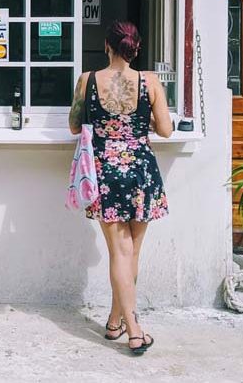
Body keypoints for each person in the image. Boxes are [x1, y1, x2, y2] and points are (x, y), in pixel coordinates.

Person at [68, 20, 173, 356]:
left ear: (107, 46)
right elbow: (167, 130)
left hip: (105, 171)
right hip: (141, 171)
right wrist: (146, 120)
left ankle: (120, 324)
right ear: (136, 48)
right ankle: (132, 327)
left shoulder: (87, 81)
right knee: (132, 253)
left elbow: (74, 125)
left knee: (120, 253)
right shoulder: (150, 82)